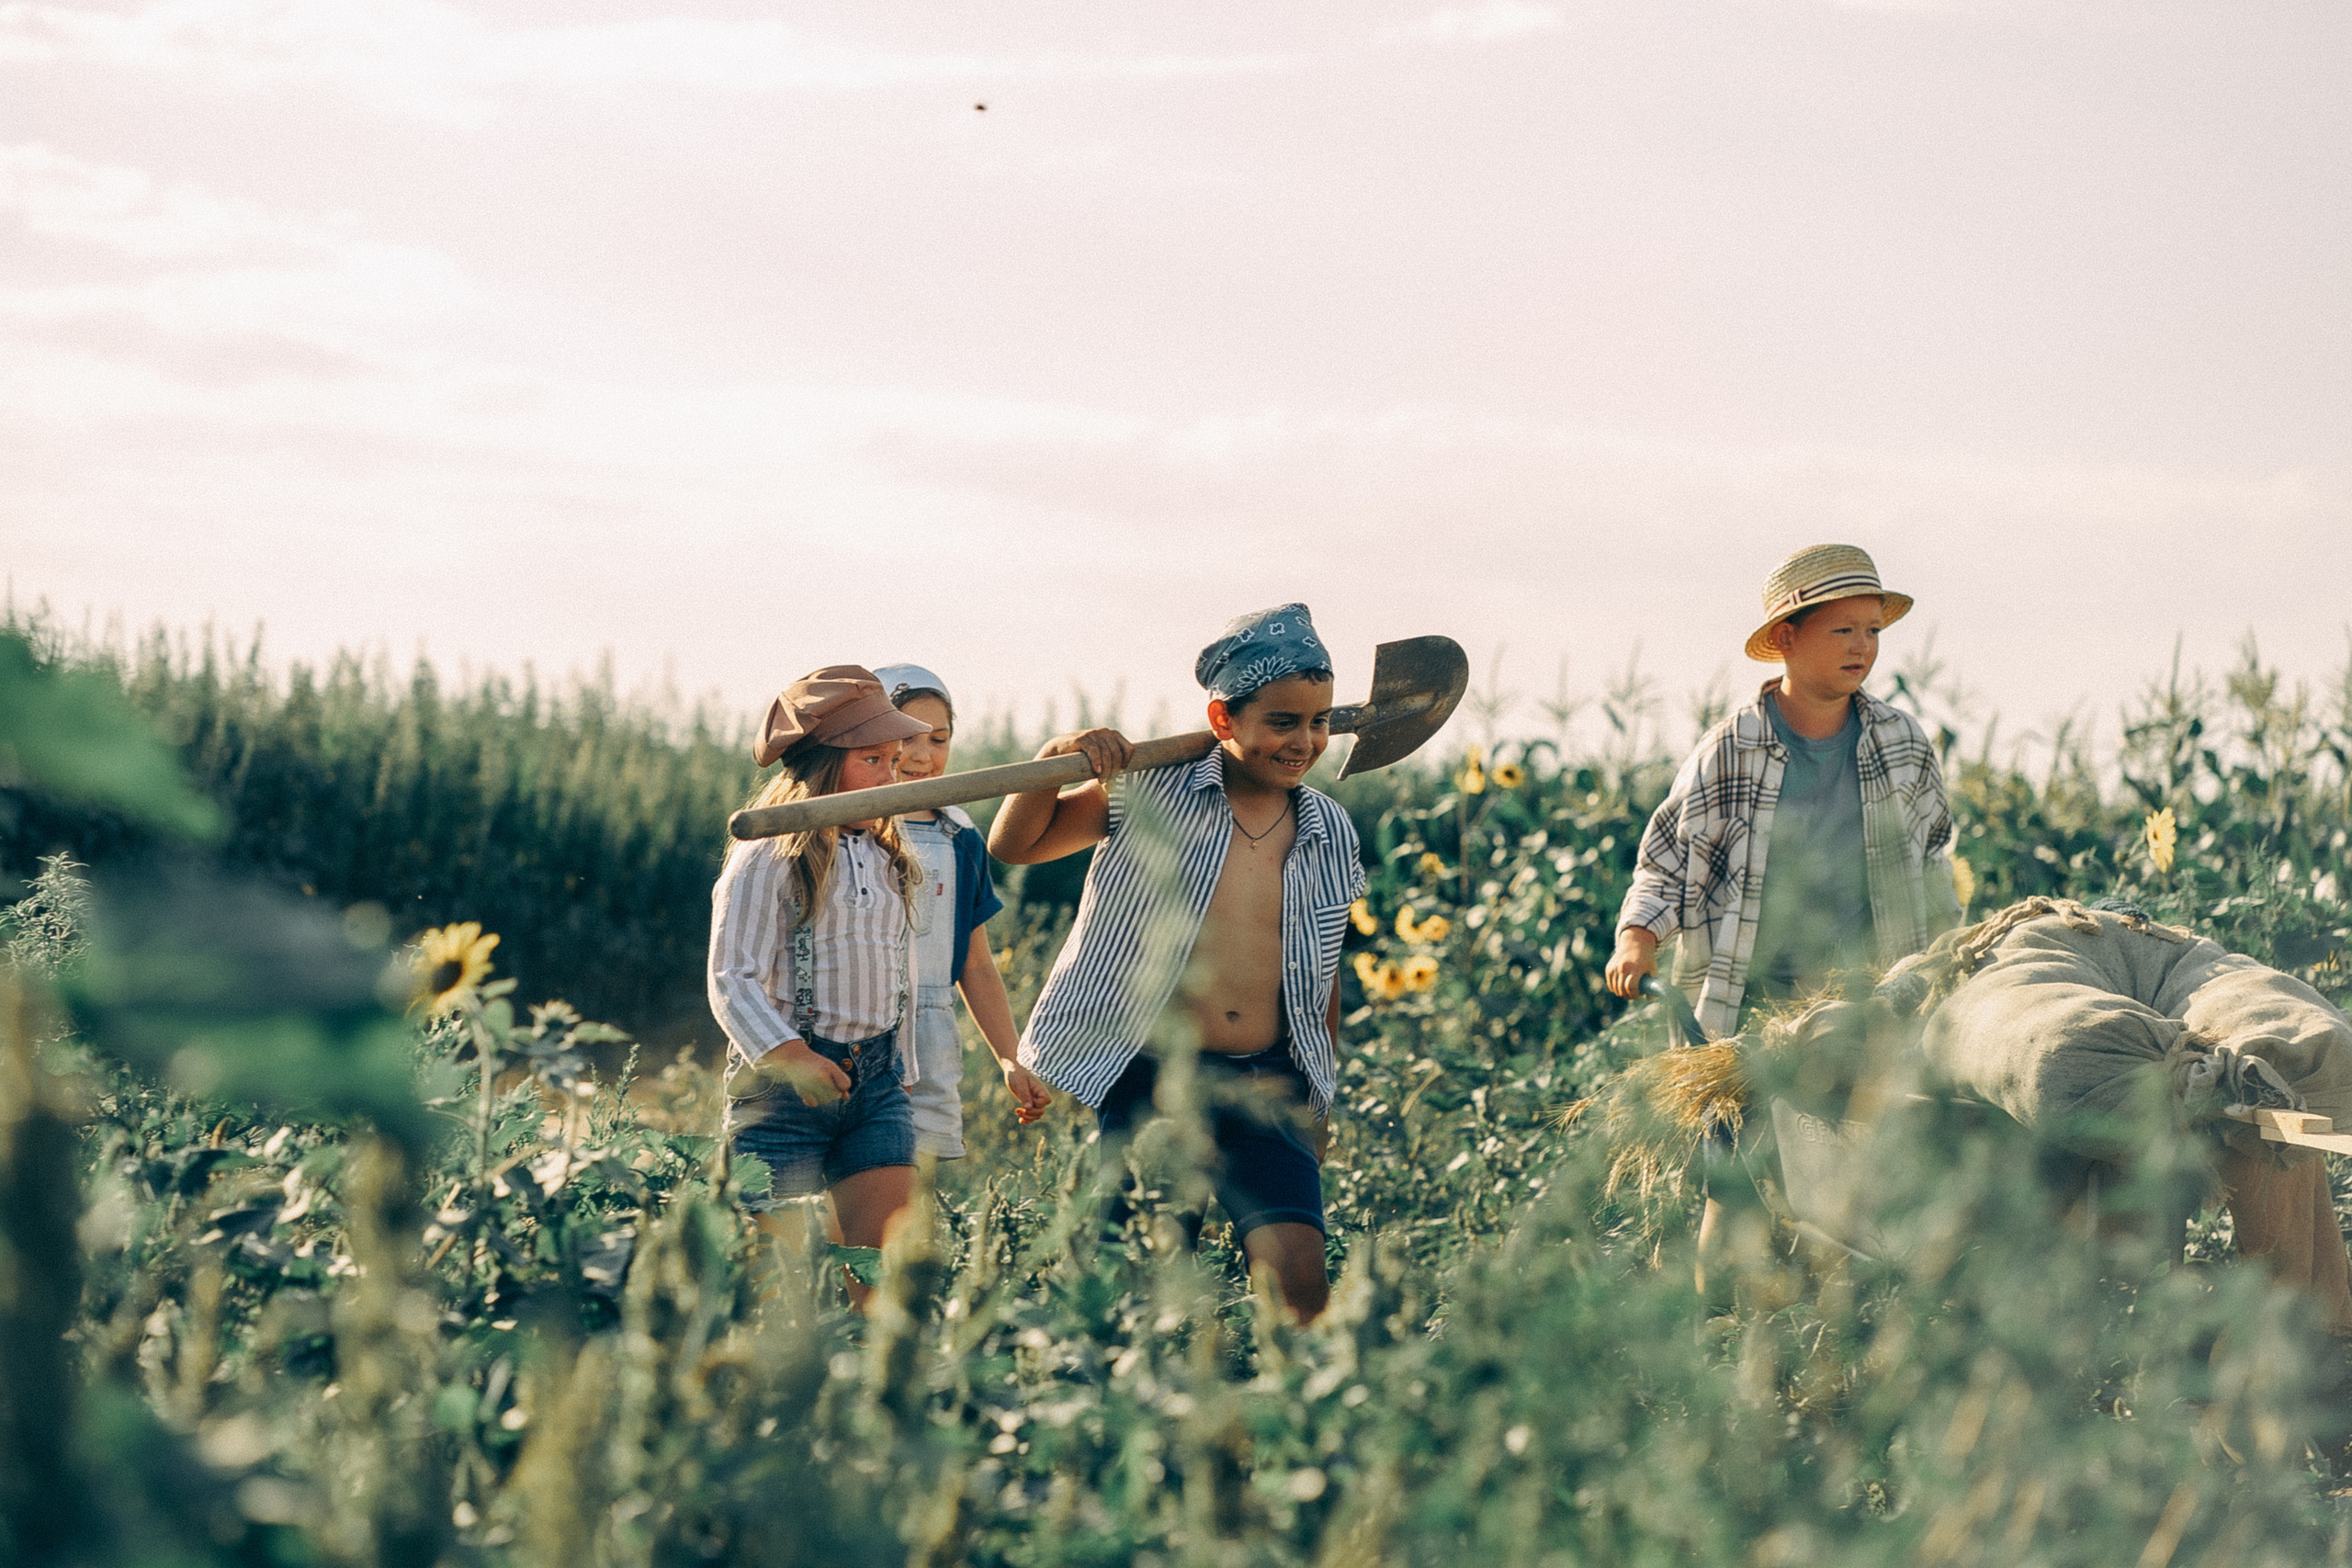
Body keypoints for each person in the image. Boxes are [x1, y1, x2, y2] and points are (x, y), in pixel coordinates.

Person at [988, 604, 1366, 1323]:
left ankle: (1290, 1419)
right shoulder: (1149, 790)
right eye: (1283, 721)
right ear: (1223, 720)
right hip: (1151, 1075)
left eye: (1319, 721)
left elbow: (1324, 969)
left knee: (1299, 1272)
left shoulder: (1329, 828)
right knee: (1142, 1274)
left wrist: (1320, 1085)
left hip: (1268, 1077)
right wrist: (1056, 758)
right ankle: (1143, 1413)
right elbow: (1018, 844)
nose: (1306, 740)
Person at [1605, 544, 1962, 1036]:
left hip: (1875, 1001)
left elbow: (1931, 863)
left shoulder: (1901, 742)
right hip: (1751, 1005)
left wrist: (1947, 959)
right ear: (1786, 638)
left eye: (1873, 630)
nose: (1862, 646)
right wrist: (1637, 943)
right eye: (1843, 630)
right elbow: (1667, 864)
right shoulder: (1731, 749)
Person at [707, 665, 934, 1307]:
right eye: (873, 759)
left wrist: (903, 1064)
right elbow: (731, 976)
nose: (891, 776)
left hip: (876, 1087)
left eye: (894, 761)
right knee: (772, 1291)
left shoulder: (887, 855)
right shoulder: (768, 854)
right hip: (784, 1094)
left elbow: (898, 972)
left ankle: (870, 1388)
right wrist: (789, 1055)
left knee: (881, 1278)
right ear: (824, 766)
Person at [871, 661, 1053, 1155]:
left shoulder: (959, 835)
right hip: (852, 1029)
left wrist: (1010, 1058)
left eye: (939, 739)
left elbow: (975, 962)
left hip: (931, 1034)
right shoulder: (845, 827)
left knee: (915, 1191)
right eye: (905, 736)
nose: (922, 756)